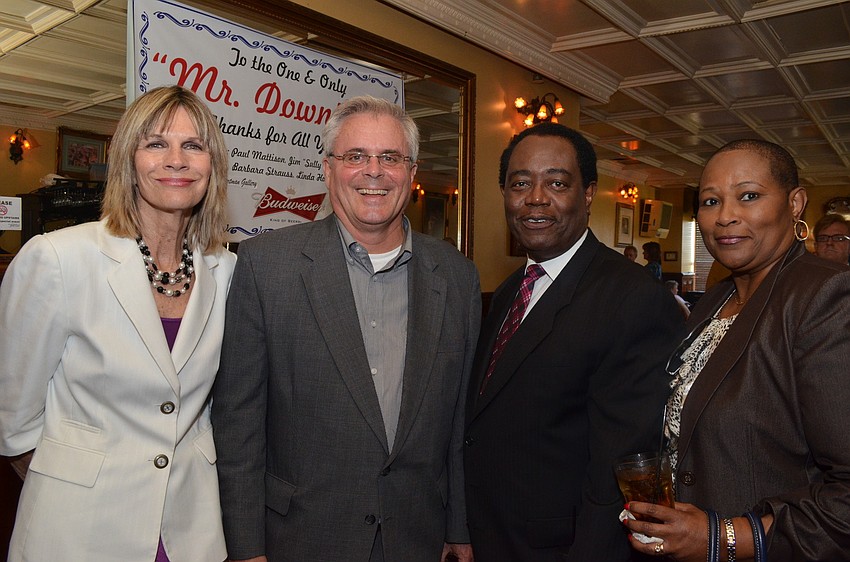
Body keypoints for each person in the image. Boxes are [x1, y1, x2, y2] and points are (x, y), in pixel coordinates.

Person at [212, 96, 480, 562]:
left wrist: (459, 526)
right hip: (300, 538)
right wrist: (245, 546)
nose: (373, 172)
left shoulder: (457, 277)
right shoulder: (265, 266)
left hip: (418, 537)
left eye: (390, 157)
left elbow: (457, 422)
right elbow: (239, 423)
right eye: (355, 156)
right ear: (327, 168)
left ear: (412, 173)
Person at [0, 85, 235, 561]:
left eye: (193, 145)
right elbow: (15, 418)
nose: (177, 160)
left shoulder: (224, 269)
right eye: (156, 144)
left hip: (190, 528)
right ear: (128, 159)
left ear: (213, 166)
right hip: (80, 530)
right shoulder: (58, 258)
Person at [464, 122, 684, 561]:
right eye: (520, 183)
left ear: (587, 195)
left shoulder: (632, 298)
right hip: (492, 535)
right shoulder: (511, 289)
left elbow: (621, 471)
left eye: (557, 183)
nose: (536, 198)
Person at [624, 139, 850, 561]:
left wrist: (722, 538)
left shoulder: (826, 296)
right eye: (711, 201)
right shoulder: (715, 300)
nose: (725, 216)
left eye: (749, 196)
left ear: (796, 203)